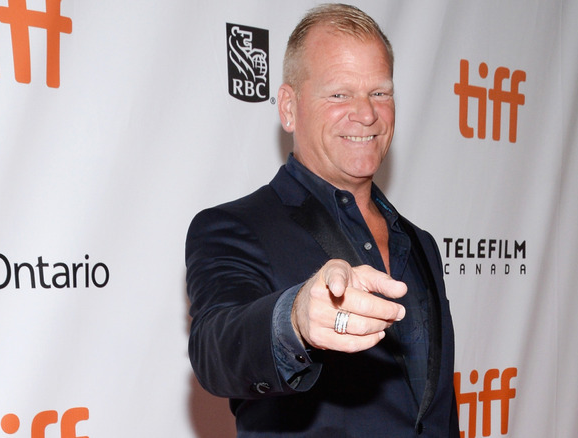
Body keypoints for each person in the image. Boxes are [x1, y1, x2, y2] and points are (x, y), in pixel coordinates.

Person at [186, 4, 458, 436]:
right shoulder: (233, 228)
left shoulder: (420, 243)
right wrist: (293, 319)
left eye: (380, 93)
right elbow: (215, 350)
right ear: (289, 107)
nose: (366, 114)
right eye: (339, 94)